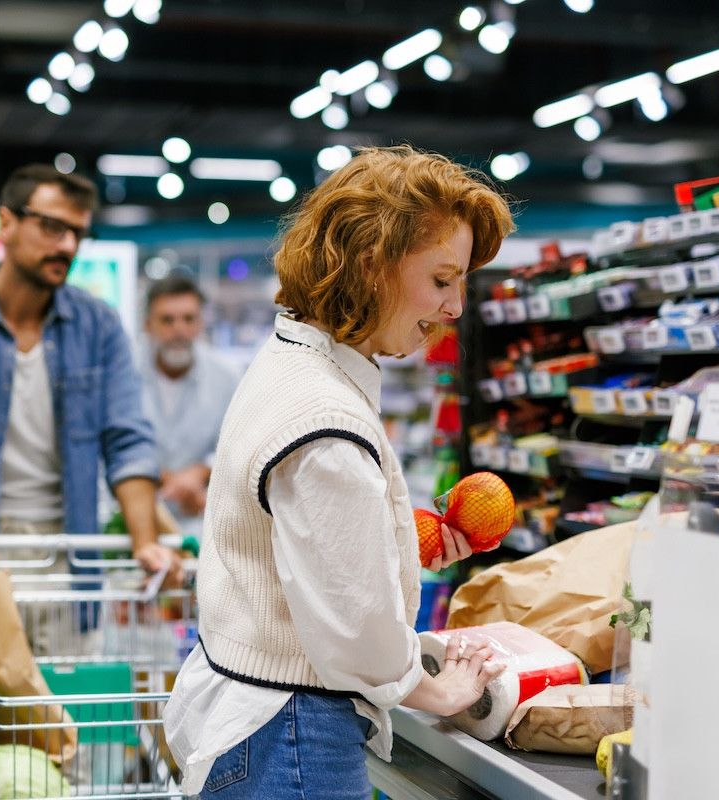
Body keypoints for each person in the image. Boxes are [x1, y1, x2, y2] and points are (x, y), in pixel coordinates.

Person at [165, 145, 515, 799]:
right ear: (373, 263)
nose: (455, 307)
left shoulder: (293, 357)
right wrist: (441, 689)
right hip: (292, 734)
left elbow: (296, 545)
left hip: (250, 717)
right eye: (442, 279)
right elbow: (358, 633)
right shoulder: (326, 419)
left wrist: (400, 544)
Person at [0, 163, 183, 588]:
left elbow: (127, 439)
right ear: (6, 223)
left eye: (78, 233)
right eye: (52, 227)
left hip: (72, 558)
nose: (67, 245)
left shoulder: (99, 326)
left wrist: (145, 544)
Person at [138, 275, 240, 524]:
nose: (179, 330)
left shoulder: (227, 377)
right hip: (136, 515)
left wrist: (200, 472)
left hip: (202, 518)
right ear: (148, 325)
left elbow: (239, 446)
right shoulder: (124, 374)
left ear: (201, 323)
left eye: (188, 319)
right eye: (167, 320)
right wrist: (162, 477)